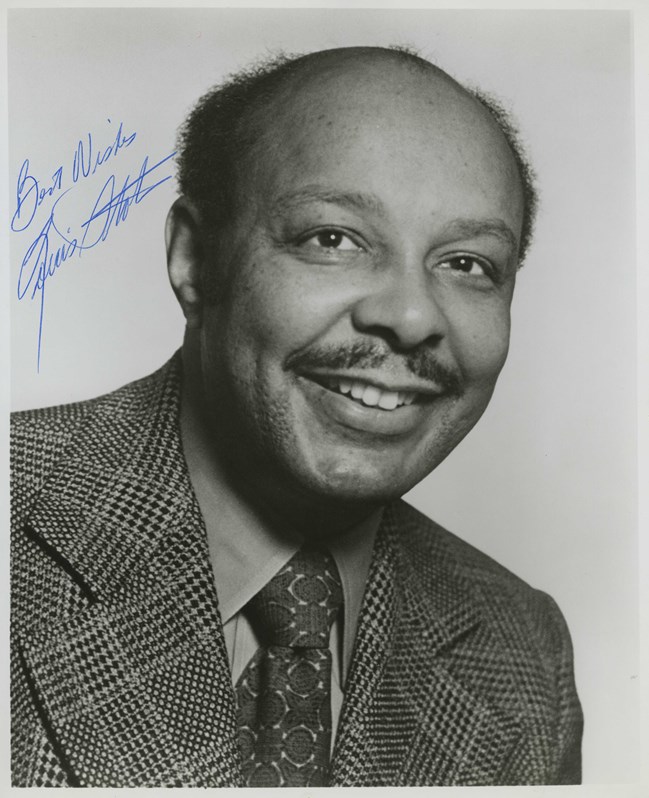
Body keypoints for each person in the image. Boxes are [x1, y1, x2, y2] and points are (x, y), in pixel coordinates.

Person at [10, 46, 583, 787]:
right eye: (332, 239)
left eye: (467, 263)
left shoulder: (523, 653)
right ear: (195, 261)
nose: (411, 317)